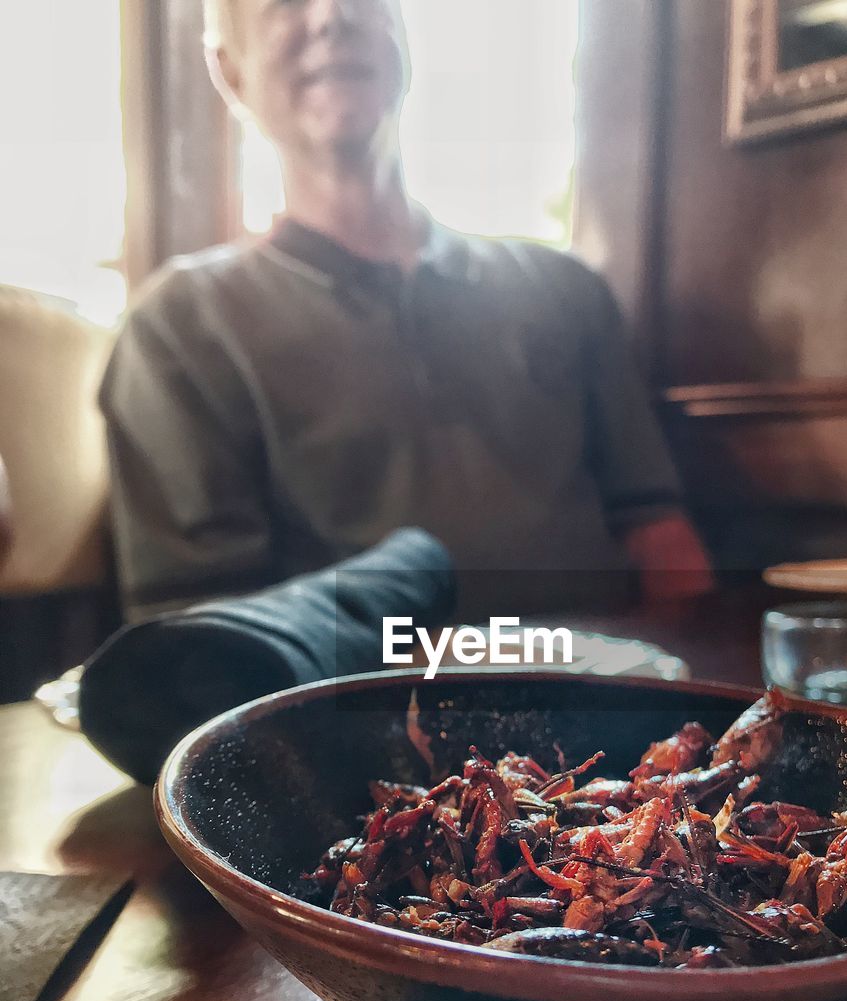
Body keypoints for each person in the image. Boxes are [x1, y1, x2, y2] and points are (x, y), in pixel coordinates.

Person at [100, 0, 713, 620]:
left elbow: (658, 531)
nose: (331, 16)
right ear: (231, 73)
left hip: (611, 700)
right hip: (346, 712)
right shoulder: (181, 329)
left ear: (403, 37)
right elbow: (199, 638)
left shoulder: (565, 289)